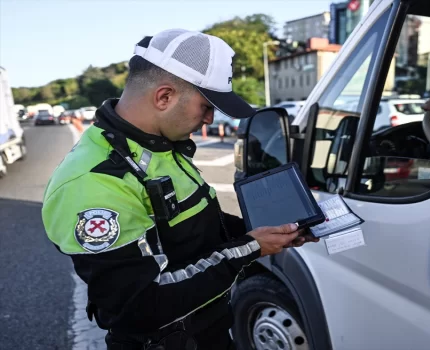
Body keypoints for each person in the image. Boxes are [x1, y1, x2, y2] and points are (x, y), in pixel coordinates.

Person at [41, 29, 319, 349]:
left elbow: (196, 226)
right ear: (164, 97)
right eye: (206, 106)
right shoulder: (93, 182)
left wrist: (267, 230)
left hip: (209, 330)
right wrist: (250, 247)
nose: (211, 119)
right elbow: (139, 307)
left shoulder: (162, 146)